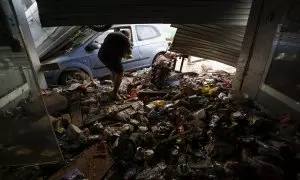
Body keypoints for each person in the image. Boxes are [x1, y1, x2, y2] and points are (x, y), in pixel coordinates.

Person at [98, 30, 132, 100]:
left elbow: (107, 45)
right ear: (127, 36)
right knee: (120, 73)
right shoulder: (126, 40)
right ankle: (114, 93)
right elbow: (127, 54)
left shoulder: (111, 34)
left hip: (101, 55)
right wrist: (127, 56)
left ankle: (115, 88)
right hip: (111, 57)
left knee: (114, 71)